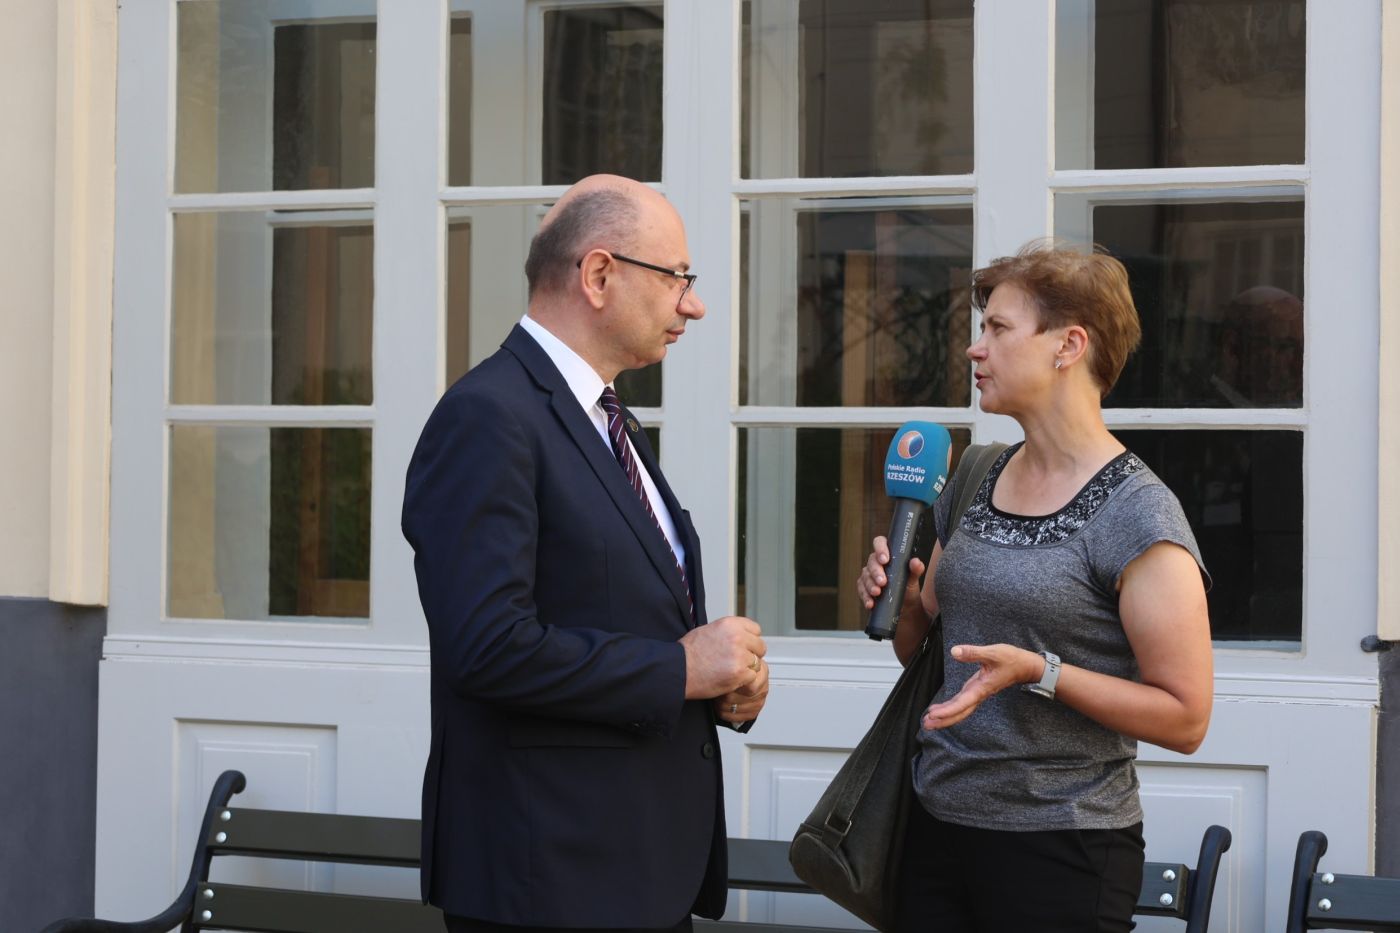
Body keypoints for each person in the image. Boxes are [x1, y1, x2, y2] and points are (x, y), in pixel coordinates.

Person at [402, 174, 770, 933]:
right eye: (678, 277)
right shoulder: (487, 417)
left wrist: (721, 685)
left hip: (631, 869)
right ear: (599, 274)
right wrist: (680, 669)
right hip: (550, 877)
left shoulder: (606, 417)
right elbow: (487, 647)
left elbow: (619, 610)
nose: (693, 304)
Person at [856, 242, 1213, 932]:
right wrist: (899, 604)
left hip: (1063, 846)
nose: (975, 348)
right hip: (936, 824)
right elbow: (930, 660)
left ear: (1068, 346)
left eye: (997, 328)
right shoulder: (976, 475)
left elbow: (1186, 718)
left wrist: (1040, 672)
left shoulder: (1140, 514)